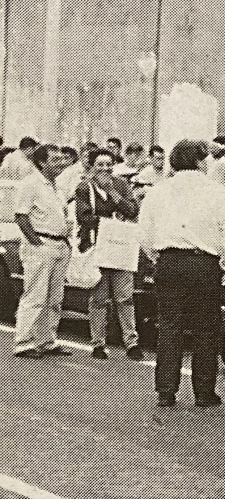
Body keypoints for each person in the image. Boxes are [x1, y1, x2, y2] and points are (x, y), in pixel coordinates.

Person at [139, 140, 225, 407]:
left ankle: (165, 391)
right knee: (206, 328)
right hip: (204, 264)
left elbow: (145, 235)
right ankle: (204, 391)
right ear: (198, 161)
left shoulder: (158, 192)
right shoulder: (217, 193)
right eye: (205, 159)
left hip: (169, 262)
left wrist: (158, 257)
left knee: (169, 326)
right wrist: (222, 265)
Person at [76, 149, 142, 360]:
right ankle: (98, 343)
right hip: (98, 247)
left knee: (125, 296)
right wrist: (110, 222)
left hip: (120, 247)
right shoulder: (84, 187)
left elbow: (132, 210)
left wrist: (112, 193)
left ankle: (131, 342)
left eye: (108, 164)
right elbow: (84, 216)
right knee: (99, 297)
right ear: (92, 166)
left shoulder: (121, 185)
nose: (104, 168)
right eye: (100, 164)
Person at [11, 144, 73, 358]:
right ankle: (24, 342)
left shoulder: (57, 186)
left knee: (54, 298)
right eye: (54, 160)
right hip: (42, 244)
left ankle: (47, 339)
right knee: (35, 295)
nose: (60, 163)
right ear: (42, 162)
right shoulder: (31, 184)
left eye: (61, 159)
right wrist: (37, 243)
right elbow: (21, 216)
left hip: (60, 244)